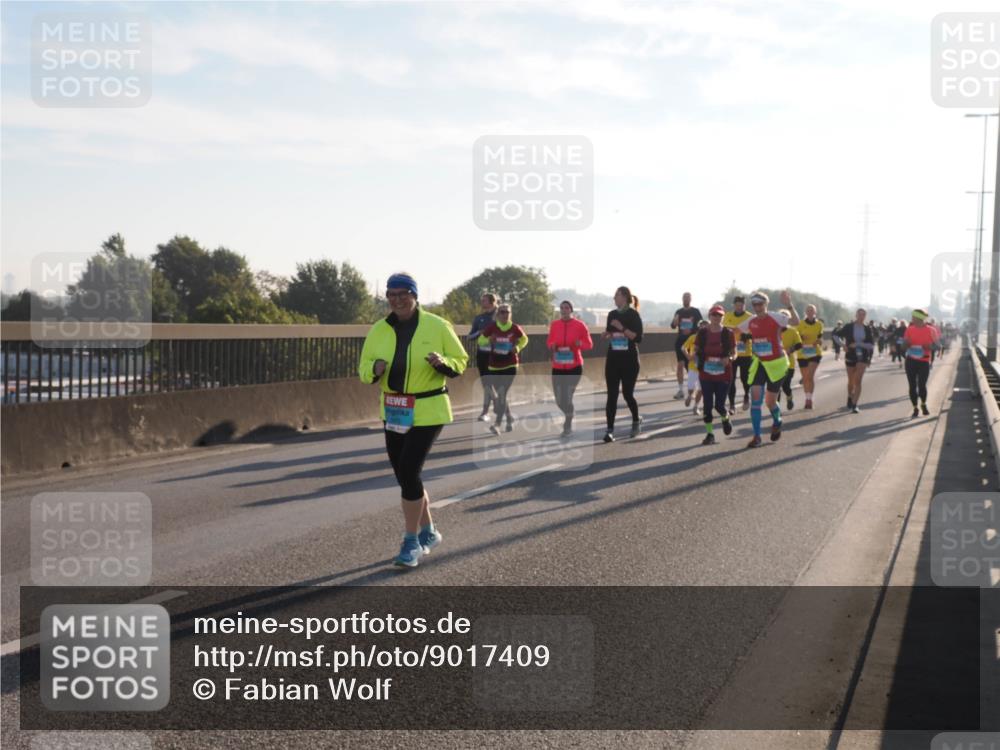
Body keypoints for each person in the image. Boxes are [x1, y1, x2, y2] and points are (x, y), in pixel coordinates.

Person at [359, 272, 469, 568]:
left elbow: (461, 361)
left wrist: (442, 363)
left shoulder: (437, 325)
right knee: (404, 475)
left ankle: (411, 543)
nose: (396, 299)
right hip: (394, 407)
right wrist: (375, 369)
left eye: (403, 293)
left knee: (409, 469)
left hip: (429, 407)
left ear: (414, 295)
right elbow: (363, 367)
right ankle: (429, 532)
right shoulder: (379, 329)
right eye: (391, 294)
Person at [736, 290, 800, 448]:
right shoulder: (751, 321)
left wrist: (789, 305)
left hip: (777, 364)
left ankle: (777, 420)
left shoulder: (776, 317)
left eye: (760, 304)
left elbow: (796, 322)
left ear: (766, 304)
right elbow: (735, 331)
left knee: (770, 402)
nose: (757, 307)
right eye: (754, 304)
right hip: (760, 363)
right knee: (755, 400)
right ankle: (757, 437)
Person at [478, 302, 528, 435]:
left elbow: (524, 340)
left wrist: (517, 348)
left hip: (510, 365)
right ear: (497, 314)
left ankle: (497, 424)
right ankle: (510, 418)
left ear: (510, 314)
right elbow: (480, 341)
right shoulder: (492, 328)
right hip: (494, 366)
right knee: (502, 396)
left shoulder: (515, 328)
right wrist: (489, 341)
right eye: (502, 312)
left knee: (501, 393)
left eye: (507, 312)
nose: (505, 314)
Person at [547, 300, 594, 437]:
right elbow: (549, 341)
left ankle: (567, 424)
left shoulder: (580, 325)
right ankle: (570, 413)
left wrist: (580, 343)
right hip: (558, 366)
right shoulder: (555, 325)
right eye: (561, 308)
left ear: (571, 310)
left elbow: (589, 344)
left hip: (574, 366)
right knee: (559, 399)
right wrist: (552, 345)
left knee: (567, 397)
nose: (564, 310)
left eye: (566, 308)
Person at [603, 286, 643, 442]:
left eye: (616, 296)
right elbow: (610, 331)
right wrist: (606, 334)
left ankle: (635, 419)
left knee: (627, 394)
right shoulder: (611, 314)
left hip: (630, 360)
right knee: (611, 395)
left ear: (625, 297)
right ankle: (609, 430)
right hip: (613, 358)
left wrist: (622, 328)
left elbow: (637, 338)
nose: (614, 298)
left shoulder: (633, 315)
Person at [695, 304, 736, 445]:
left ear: (723, 317)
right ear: (709, 316)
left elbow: (734, 352)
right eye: (714, 315)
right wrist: (697, 360)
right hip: (706, 374)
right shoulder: (702, 333)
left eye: (719, 315)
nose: (716, 317)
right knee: (707, 405)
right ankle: (710, 434)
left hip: (723, 374)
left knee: (719, 405)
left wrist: (729, 358)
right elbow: (696, 350)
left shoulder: (728, 333)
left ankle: (725, 418)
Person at [834, 310, 875, 413]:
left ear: (865, 316)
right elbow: (835, 335)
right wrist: (843, 345)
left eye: (863, 315)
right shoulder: (849, 326)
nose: (861, 316)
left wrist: (859, 345)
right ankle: (849, 396)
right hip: (851, 355)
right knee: (851, 381)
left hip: (863, 356)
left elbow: (871, 345)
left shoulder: (867, 328)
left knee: (858, 380)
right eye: (859, 314)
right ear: (856, 315)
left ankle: (855, 405)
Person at [903, 308, 940, 418]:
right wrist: (905, 344)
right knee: (912, 386)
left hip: (924, 361)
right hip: (910, 360)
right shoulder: (909, 329)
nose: (912, 319)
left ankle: (923, 404)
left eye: (913, 317)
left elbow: (938, 346)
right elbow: (903, 345)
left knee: (922, 385)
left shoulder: (931, 330)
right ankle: (915, 407)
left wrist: (930, 346)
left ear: (919, 318)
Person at [468, 293, 497, 421]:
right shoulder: (479, 318)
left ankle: (497, 408)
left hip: (497, 355)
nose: (481, 303)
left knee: (495, 384)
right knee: (486, 383)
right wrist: (479, 333)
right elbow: (470, 337)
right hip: (482, 354)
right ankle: (488, 410)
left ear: (492, 302)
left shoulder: (501, 316)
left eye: (484, 301)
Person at [723, 295, 753, 414]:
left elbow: (756, 331)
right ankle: (731, 405)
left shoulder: (750, 317)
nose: (739, 307)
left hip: (746, 353)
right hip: (732, 352)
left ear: (744, 305)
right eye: (737, 305)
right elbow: (724, 330)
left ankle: (746, 395)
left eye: (741, 305)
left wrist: (749, 336)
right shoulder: (728, 316)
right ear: (734, 305)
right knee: (731, 379)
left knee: (745, 378)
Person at [671, 292, 703, 400]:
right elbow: (673, 326)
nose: (686, 299)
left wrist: (693, 330)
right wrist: (675, 322)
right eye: (684, 297)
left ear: (691, 299)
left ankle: (692, 389)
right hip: (680, 341)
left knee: (691, 367)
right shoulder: (678, 312)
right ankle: (680, 390)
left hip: (692, 342)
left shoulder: (695, 311)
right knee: (680, 365)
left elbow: (702, 326)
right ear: (682, 299)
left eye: (688, 298)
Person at [795, 305, 824, 409]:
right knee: (807, 379)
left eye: (812, 310)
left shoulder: (819, 324)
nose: (810, 312)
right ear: (805, 312)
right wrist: (801, 338)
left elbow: (820, 338)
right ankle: (807, 398)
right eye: (808, 310)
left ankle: (810, 399)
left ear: (815, 312)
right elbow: (796, 338)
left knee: (809, 376)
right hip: (802, 353)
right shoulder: (801, 324)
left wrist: (819, 342)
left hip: (815, 353)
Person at [778, 314, 803, 410]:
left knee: (785, 386)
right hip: (776, 363)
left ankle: (789, 398)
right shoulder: (774, 330)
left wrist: (790, 350)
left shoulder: (792, 331)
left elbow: (799, 344)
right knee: (777, 387)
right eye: (781, 318)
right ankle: (777, 408)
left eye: (785, 318)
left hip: (789, 363)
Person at [682, 321, 707, 414]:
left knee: (701, 389)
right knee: (691, 388)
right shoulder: (693, 337)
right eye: (701, 326)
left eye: (705, 326)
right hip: (693, 367)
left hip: (704, 368)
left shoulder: (710, 338)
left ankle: (696, 407)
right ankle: (690, 395)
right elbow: (683, 348)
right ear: (698, 328)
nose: (703, 328)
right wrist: (688, 356)